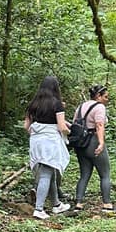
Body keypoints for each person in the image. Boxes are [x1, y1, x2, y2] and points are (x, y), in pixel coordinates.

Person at [25, 76, 71, 220]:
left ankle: (56, 204)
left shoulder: (33, 104)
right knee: (46, 174)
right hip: (50, 142)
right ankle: (39, 209)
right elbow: (61, 126)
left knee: (49, 171)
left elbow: (26, 127)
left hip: (36, 142)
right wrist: (69, 132)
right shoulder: (57, 104)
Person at [73, 84, 115, 213]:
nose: (107, 100)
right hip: (93, 141)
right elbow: (99, 125)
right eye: (106, 97)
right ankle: (107, 204)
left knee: (84, 174)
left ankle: (78, 203)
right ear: (98, 96)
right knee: (105, 174)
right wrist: (101, 143)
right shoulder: (99, 107)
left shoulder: (81, 106)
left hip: (81, 144)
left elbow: (75, 124)